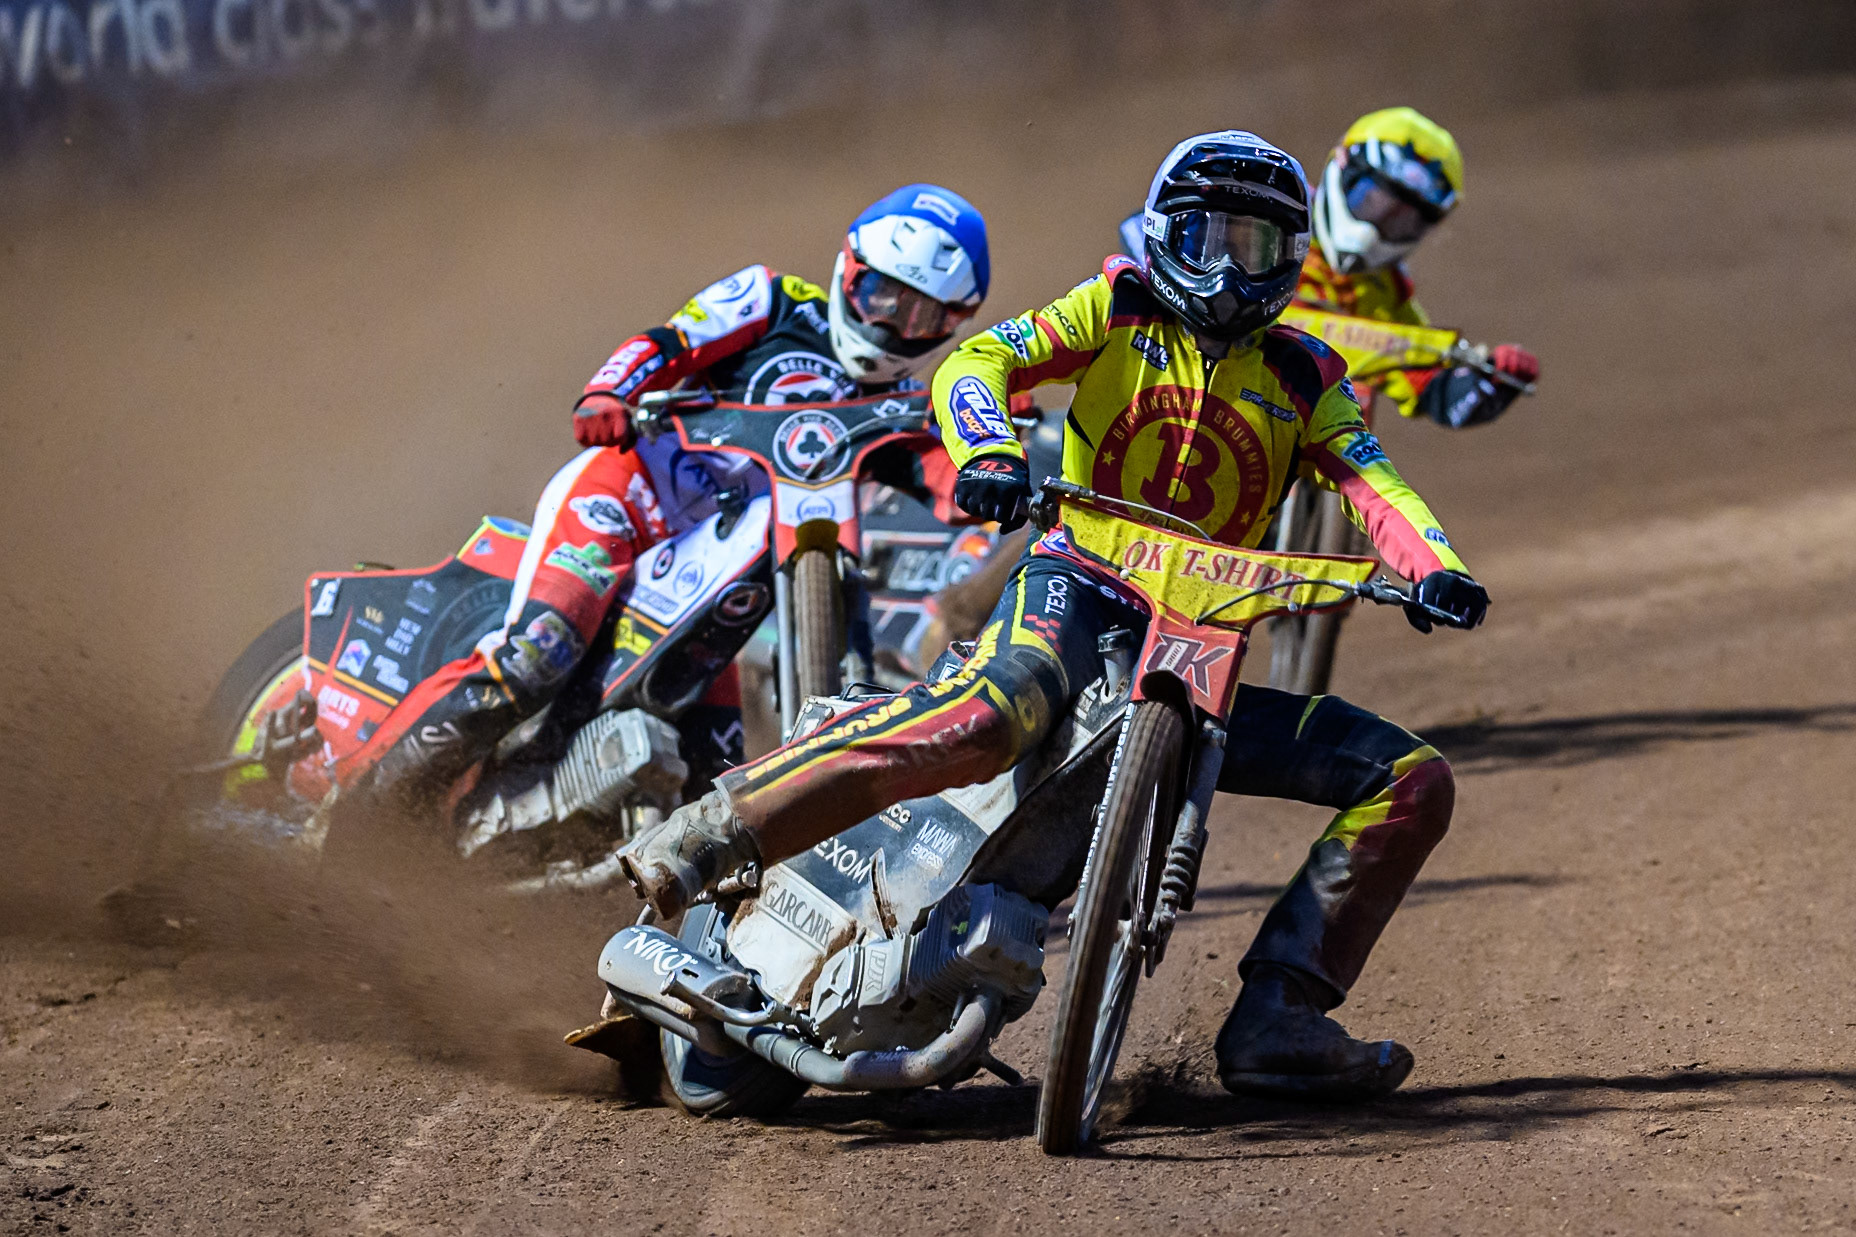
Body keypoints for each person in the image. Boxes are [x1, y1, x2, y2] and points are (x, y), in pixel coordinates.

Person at [619, 132, 1489, 1101]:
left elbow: (1375, 486)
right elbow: (981, 362)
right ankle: (708, 831)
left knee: (1408, 778)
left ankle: (1280, 1016)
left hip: (1201, 651)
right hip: (1076, 589)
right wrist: (988, 452)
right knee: (992, 714)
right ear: (1165, 234)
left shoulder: (1306, 375)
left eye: (1257, 248)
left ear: (1290, 260)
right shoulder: (1114, 309)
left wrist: (1433, 567)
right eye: (1208, 239)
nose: (1230, 271)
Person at [325, 185, 992, 816]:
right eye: (880, 294)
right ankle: (364, 810)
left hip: (717, 570)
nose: (890, 323)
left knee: (714, 775)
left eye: (920, 314)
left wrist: (993, 457)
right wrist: (609, 391)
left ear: (949, 325)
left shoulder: (900, 408)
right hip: (629, 496)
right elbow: (673, 341)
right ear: (850, 269)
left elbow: (948, 481)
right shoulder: (777, 299)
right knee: (539, 651)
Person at [1120, 107, 1538, 428]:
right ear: (1343, 169)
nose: (1380, 227)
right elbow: (1146, 238)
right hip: (1167, 393)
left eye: (1404, 219)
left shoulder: (1385, 292)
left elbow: (1430, 386)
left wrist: (1485, 385)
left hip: (1282, 451)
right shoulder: (1273, 210)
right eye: (1374, 201)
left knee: (1355, 397)